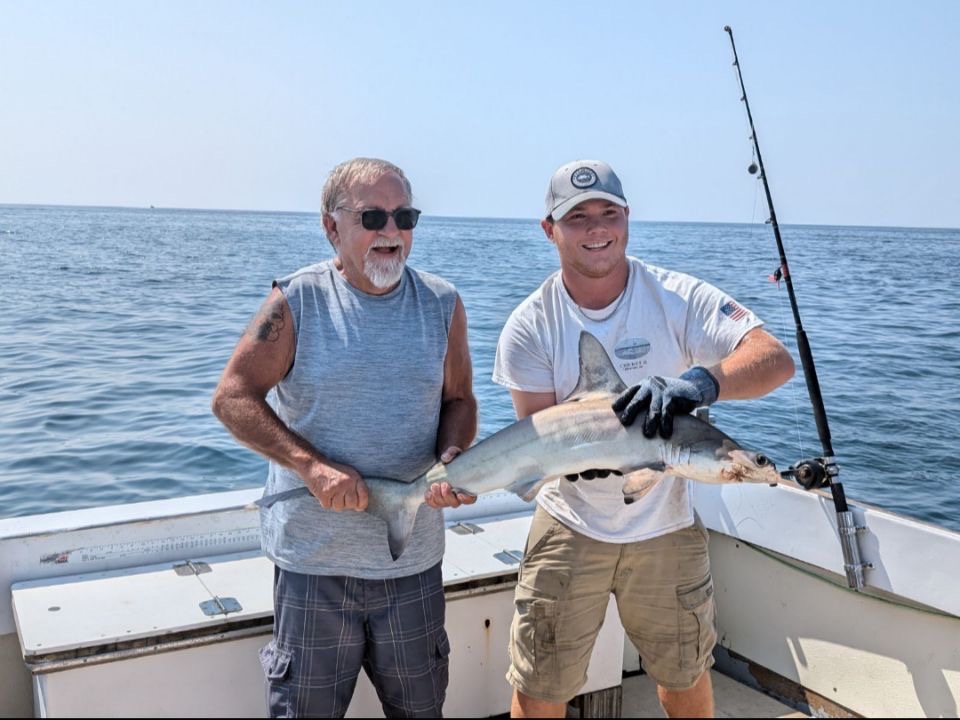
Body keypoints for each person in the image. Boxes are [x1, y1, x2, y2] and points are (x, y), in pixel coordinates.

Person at [492, 159, 795, 718]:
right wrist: (568, 462)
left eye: (608, 212)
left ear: (627, 218)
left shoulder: (678, 297)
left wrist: (701, 381)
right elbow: (533, 436)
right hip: (569, 521)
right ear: (549, 229)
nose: (596, 228)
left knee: (684, 675)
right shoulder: (531, 324)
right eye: (577, 217)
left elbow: (774, 360)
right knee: (539, 688)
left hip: (667, 525)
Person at [211, 157, 478, 718]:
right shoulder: (296, 301)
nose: (391, 231)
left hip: (413, 563)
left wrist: (450, 459)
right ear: (332, 227)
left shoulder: (443, 304)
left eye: (404, 216)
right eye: (373, 216)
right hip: (315, 566)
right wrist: (310, 467)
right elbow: (233, 397)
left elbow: (459, 400)